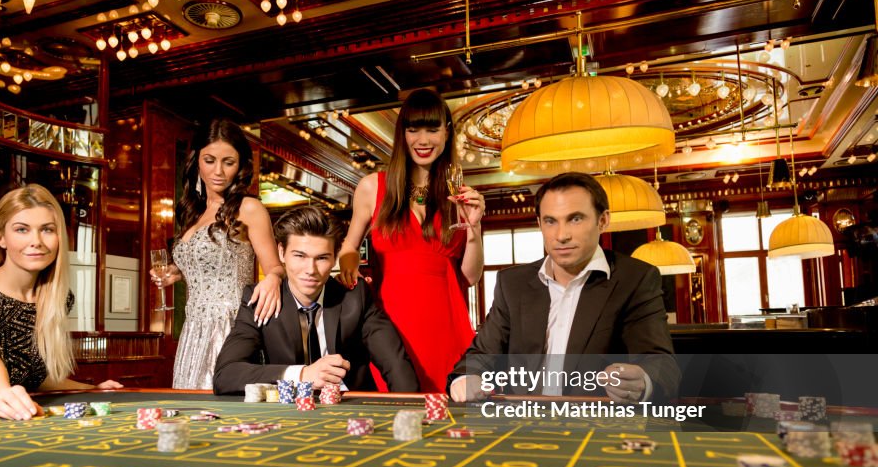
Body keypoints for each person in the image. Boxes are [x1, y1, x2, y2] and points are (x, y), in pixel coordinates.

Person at [448, 172, 680, 403]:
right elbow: (480, 356)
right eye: (551, 221)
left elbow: (663, 367)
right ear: (539, 224)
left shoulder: (635, 279)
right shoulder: (513, 284)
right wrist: (466, 379)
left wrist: (644, 380)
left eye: (575, 219)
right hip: (522, 426)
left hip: (598, 427)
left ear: (603, 221)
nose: (561, 235)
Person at [336, 88, 484, 393]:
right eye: (413, 129)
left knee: (448, 420)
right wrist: (349, 267)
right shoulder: (372, 187)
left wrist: (475, 227)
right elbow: (349, 247)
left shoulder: (460, 193)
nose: (423, 140)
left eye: (432, 129)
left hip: (447, 324)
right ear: (402, 134)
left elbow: (469, 276)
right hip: (389, 324)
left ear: (447, 132)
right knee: (395, 415)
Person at [0, 184, 122, 420]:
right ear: (1, 237)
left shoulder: (58, 298)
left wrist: (92, 390)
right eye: (22, 229)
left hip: (20, 415)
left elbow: (34, 375)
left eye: (47, 229)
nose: (36, 241)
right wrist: (1, 394)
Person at [214, 205, 419, 395]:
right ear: (282, 253)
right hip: (288, 416)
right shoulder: (261, 299)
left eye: (321, 258)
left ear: (335, 257)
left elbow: (396, 365)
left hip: (350, 410)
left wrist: (408, 414)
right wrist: (303, 375)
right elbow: (226, 375)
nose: (310, 270)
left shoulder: (355, 297)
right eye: (300, 256)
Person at [153, 119, 285, 389]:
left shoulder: (248, 208)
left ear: (240, 165)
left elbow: (276, 267)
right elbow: (208, 263)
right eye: (210, 160)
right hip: (193, 330)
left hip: (230, 326)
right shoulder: (192, 213)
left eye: (229, 162)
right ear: (196, 160)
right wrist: (175, 272)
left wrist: (272, 278)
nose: (218, 171)